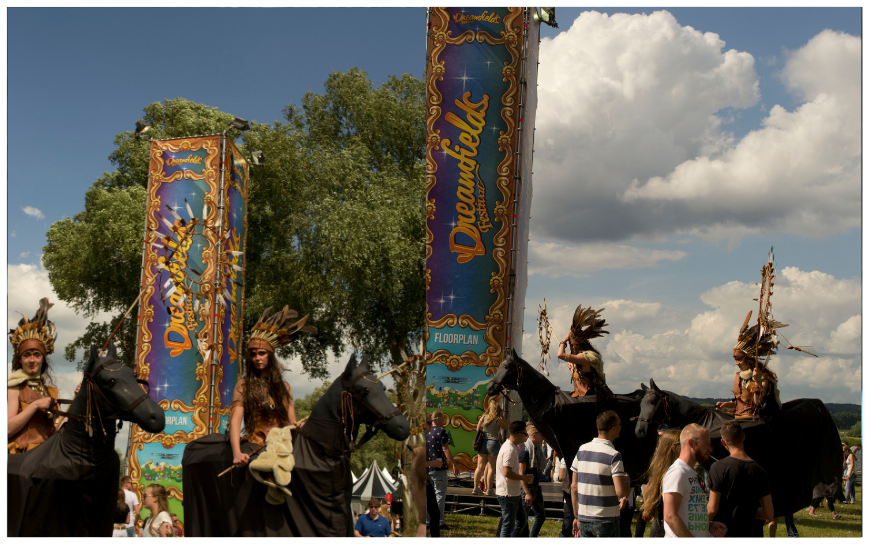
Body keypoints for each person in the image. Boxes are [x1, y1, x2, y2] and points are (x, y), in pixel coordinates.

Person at [230, 306, 314, 468]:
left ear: (271, 356)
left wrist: (298, 427)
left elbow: (291, 423)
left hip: (281, 446)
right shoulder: (243, 385)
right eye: (253, 354)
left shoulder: (285, 388)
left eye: (262, 353)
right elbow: (235, 421)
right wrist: (237, 453)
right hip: (255, 444)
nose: (257, 358)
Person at [8, 298, 63, 454]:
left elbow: (59, 428)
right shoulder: (13, 387)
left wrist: (78, 397)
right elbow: (7, 430)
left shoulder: (51, 392)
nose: (32, 360)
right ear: (20, 359)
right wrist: (35, 406)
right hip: (20, 460)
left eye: (36, 355)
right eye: (27, 355)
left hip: (47, 458)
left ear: (43, 359)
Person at [707, 421, 774, 537]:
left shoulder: (718, 467)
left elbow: (712, 509)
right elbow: (769, 513)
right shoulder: (760, 470)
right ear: (743, 437)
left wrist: (697, 524)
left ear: (723, 442)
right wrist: (748, 511)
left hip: (723, 532)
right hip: (750, 533)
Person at [570, 410, 629, 538]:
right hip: (606, 519)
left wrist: (576, 516)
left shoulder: (582, 450)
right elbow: (620, 492)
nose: (620, 427)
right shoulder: (614, 455)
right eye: (620, 424)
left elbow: (574, 487)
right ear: (613, 429)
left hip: (584, 517)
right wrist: (627, 483)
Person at [662, 424, 727, 537]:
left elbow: (688, 512)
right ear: (691, 443)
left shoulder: (690, 472)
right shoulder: (678, 472)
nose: (710, 449)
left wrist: (708, 525)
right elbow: (670, 517)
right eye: (706, 444)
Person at [556, 304, 613, 410]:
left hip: (592, 399)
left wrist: (563, 341)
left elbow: (560, 355)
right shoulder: (584, 358)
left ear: (574, 346)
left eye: (570, 346)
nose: (570, 349)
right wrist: (574, 367)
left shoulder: (588, 357)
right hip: (581, 397)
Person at [495, 420, 535, 537]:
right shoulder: (510, 449)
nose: (526, 437)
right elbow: (507, 472)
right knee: (507, 526)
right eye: (525, 434)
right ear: (519, 434)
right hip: (508, 495)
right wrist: (524, 478)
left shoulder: (512, 447)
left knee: (521, 521)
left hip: (514, 494)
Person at [640, 429, 681, 538]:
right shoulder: (663, 467)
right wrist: (647, 507)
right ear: (673, 448)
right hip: (662, 519)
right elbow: (650, 485)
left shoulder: (679, 467)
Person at [426, 410, 459, 531]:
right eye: (443, 419)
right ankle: (439, 521)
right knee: (439, 495)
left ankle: (428, 520)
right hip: (439, 467)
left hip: (428, 468)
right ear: (438, 419)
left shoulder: (427, 432)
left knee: (429, 496)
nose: (444, 421)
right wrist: (454, 464)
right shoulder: (441, 431)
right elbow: (445, 450)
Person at [473, 397, 508, 496]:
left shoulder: (484, 417)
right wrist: (502, 416)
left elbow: (478, 428)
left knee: (479, 466)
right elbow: (506, 427)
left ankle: (475, 488)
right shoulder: (497, 419)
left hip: (483, 442)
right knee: (491, 467)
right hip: (493, 443)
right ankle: (489, 489)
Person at [518, 424, 547, 537]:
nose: (543, 437)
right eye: (541, 435)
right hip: (528, 489)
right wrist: (527, 492)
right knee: (522, 520)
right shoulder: (525, 451)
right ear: (534, 436)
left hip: (535, 487)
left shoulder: (537, 450)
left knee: (541, 516)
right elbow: (521, 474)